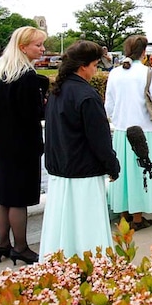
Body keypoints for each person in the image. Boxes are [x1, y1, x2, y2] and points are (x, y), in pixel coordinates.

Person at [40, 41, 120, 260]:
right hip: (83, 171)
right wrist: (112, 165)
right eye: (95, 65)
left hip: (60, 170)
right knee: (87, 226)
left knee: (62, 226)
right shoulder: (86, 95)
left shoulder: (57, 90)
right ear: (83, 66)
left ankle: (60, 263)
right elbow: (100, 139)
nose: (96, 70)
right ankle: (92, 265)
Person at [0, 26, 49, 265]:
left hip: (1, 142)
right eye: (38, 45)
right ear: (23, 47)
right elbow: (31, 114)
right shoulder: (26, 77)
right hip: (22, 144)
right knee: (19, 198)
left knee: (4, 196)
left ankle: (3, 244)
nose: (43, 49)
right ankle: (21, 247)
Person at [105, 35, 152, 231]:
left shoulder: (115, 73)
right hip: (144, 130)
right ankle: (138, 218)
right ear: (143, 52)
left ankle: (124, 215)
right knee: (141, 171)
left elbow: (108, 105)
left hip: (122, 130)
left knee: (122, 173)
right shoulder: (149, 72)